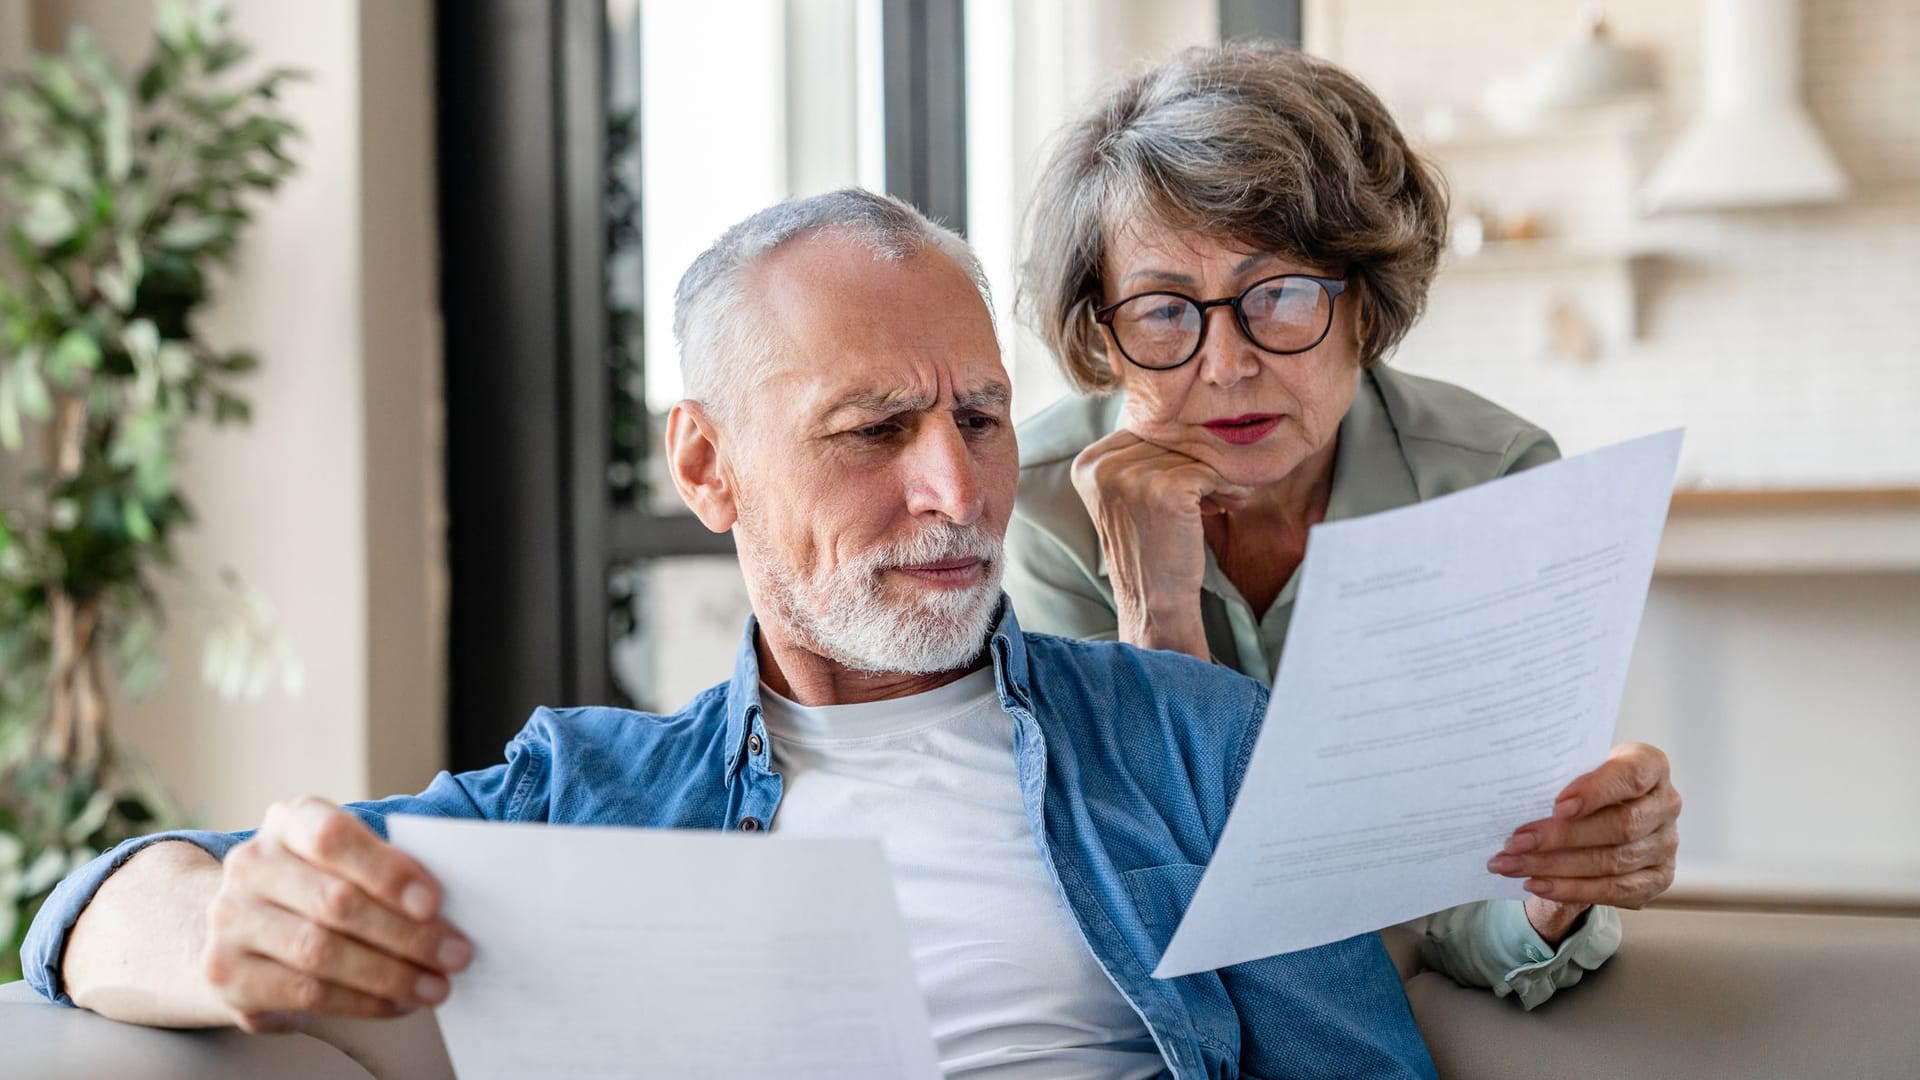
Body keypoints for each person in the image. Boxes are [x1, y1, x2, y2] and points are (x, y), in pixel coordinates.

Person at [25, 190, 1436, 1079]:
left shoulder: (1189, 739)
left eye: (982, 418)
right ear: (705, 469)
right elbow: (83, 909)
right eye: (875, 428)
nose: (956, 489)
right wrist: (230, 929)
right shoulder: (584, 799)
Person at [1006, 42, 1681, 1010]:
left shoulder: (1489, 488)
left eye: (1277, 295)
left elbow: (1461, 902)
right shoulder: (1039, 511)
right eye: (1162, 311)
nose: (1226, 364)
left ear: (1364, 304)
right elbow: (1132, 908)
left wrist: (1553, 892)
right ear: (1102, 337)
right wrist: (1157, 622)